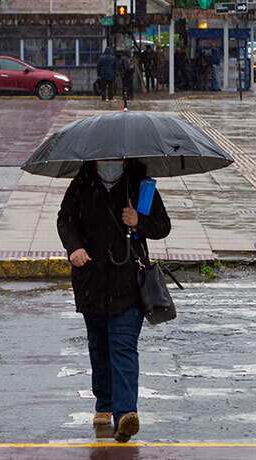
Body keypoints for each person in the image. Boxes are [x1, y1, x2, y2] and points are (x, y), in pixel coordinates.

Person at [57, 159, 171, 443]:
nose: (111, 165)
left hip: (129, 283)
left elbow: (162, 226)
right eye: (105, 160)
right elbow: (65, 220)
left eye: (116, 160)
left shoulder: (140, 186)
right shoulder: (81, 185)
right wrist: (75, 248)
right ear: (94, 161)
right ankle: (104, 403)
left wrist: (138, 221)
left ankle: (125, 414)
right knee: (99, 345)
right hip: (90, 281)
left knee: (123, 346)